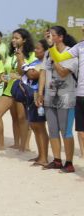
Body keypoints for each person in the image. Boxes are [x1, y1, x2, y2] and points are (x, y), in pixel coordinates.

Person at [37, 26, 78, 172]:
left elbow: (62, 73)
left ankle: (69, 162)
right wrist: (40, 92)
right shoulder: (48, 53)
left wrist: (54, 57)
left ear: (60, 37)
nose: (48, 38)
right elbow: (43, 72)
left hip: (66, 98)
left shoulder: (71, 53)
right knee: (53, 130)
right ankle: (57, 160)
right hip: (49, 96)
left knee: (65, 131)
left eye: (51, 35)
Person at [0, 29, 35, 151]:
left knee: (22, 118)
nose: (13, 40)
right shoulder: (11, 54)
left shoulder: (31, 54)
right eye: (13, 38)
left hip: (23, 89)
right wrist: (3, 78)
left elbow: (30, 73)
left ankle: (24, 146)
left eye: (17, 38)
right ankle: (2, 144)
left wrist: (19, 73)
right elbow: (8, 72)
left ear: (24, 40)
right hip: (9, 88)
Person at [23, 39, 49, 166]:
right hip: (30, 95)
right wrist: (26, 69)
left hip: (38, 96)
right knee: (34, 125)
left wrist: (26, 68)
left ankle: (44, 158)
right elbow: (25, 72)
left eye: (38, 48)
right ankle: (40, 155)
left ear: (45, 51)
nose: (35, 50)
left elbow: (32, 75)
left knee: (40, 126)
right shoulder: (35, 62)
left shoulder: (45, 62)